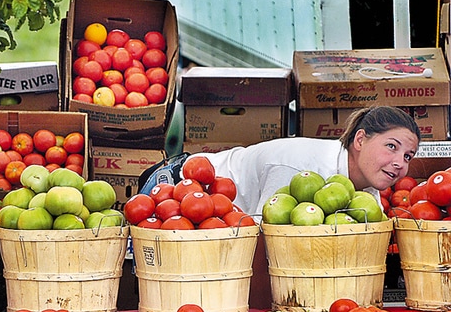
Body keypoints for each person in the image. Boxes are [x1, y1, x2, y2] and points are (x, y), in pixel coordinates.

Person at [141, 105, 421, 217]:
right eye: (391, 147)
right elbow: (266, 242)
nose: (399, 163)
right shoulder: (299, 169)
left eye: (407, 156)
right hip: (178, 188)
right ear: (360, 140)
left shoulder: (367, 192)